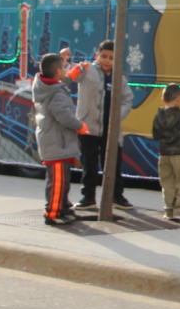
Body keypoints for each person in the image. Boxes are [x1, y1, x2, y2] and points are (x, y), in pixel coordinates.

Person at [68, 41, 135, 210]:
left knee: (113, 165)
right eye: (104, 56)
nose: (107, 61)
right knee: (89, 165)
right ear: (97, 56)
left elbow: (127, 99)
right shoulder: (86, 70)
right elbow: (69, 74)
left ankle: (116, 196)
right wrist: (66, 61)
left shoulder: (119, 78)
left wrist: (117, 116)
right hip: (88, 127)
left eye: (112, 58)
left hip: (111, 130)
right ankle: (88, 198)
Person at [33, 52, 89, 226]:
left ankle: (64, 207)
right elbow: (64, 116)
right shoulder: (55, 94)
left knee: (63, 180)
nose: (66, 70)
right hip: (57, 143)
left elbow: (62, 82)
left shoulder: (49, 87)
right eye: (64, 68)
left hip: (58, 143)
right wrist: (80, 126)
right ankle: (53, 213)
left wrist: (73, 72)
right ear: (58, 71)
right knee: (58, 182)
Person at [152, 84, 180, 221]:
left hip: (164, 154)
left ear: (163, 99)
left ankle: (168, 210)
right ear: (178, 99)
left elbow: (155, 135)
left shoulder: (158, 116)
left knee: (167, 183)